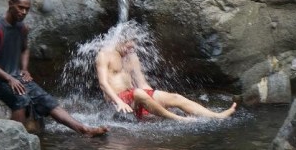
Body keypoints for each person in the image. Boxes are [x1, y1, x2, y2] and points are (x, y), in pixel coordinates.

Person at [0, 0, 108, 137]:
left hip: (16, 76)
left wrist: (24, 69)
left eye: (27, 9)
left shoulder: (22, 28)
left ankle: (83, 129)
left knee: (47, 99)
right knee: (21, 99)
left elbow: (25, 49)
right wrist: (9, 78)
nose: (23, 12)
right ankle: (15, 139)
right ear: (10, 4)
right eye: (20, 7)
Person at [95, 35, 237, 121]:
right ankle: (178, 119)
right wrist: (119, 101)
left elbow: (143, 84)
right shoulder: (104, 55)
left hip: (135, 97)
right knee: (138, 93)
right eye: (127, 47)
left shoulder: (131, 57)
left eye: (132, 48)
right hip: (117, 101)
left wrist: (156, 99)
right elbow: (103, 84)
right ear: (120, 41)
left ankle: (217, 116)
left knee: (174, 97)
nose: (130, 50)